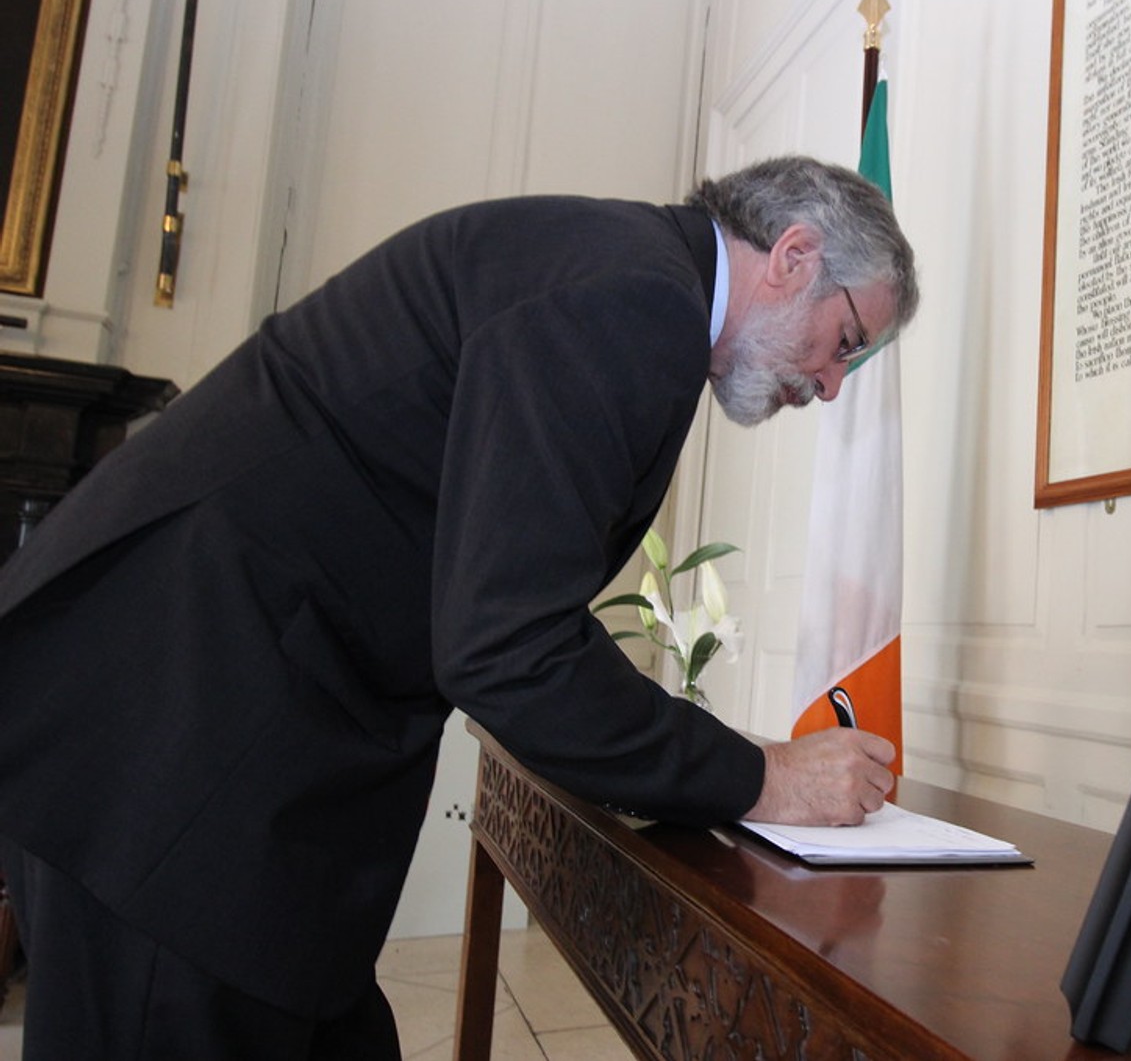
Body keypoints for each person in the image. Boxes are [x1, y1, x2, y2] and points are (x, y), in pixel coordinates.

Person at [0, 155, 918, 1059]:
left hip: (227, 737)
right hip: (179, 757)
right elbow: (510, 647)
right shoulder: (635, 297)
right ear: (793, 255)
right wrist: (766, 778)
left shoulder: (628, 270)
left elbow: (508, 597)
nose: (832, 387)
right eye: (844, 343)